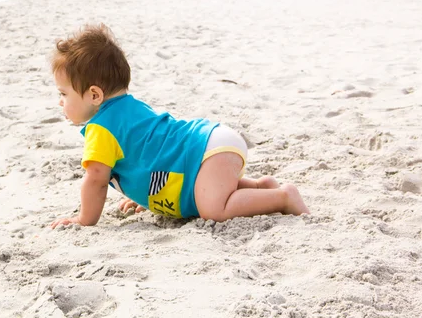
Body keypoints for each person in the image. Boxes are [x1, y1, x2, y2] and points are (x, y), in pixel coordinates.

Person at [49, 24, 310, 229]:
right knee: (206, 193)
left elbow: (96, 180)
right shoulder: (131, 107)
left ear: (94, 95)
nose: (61, 102)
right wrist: (145, 197)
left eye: (64, 94)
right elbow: (152, 154)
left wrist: (85, 219)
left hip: (204, 152)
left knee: (214, 209)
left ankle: (283, 197)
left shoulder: (101, 129)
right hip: (211, 145)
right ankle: (261, 188)